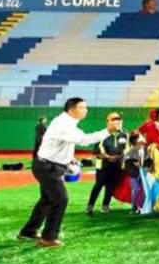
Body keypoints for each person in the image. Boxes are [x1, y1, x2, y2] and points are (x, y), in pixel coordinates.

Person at [19, 97, 109, 248]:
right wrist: (108, 131)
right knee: (60, 200)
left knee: (47, 200)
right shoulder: (64, 124)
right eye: (82, 107)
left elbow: (61, 143)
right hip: (48, 168)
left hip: (46, 165)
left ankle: (29, 231)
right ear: (72, 110)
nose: (86, 110)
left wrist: (68, 158)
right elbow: (84, 140)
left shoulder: (66, 122)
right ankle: (48, 238)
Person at [86, 112, 127, 214]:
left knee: (111, 186)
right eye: (114, 120)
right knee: (98, 186)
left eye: (119, 120)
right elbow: (97, 152)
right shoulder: (102, 134)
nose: (118, 122)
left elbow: (126, 149)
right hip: (103, 166)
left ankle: (105, 205)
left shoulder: (124, 135)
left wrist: (119, 157)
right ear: (108, 122)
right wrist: (108, 157)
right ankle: (90, 206)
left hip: (116, 166)